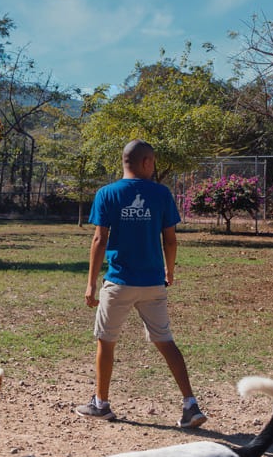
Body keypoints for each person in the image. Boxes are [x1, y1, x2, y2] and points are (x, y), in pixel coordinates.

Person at [77, 139, 206, 429]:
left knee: (106, 341)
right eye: (154, 161)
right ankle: (190, 404)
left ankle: (102, 403)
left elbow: (99, 239)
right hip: (152, 283)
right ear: (146, 162)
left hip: (118, 282)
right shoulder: (161, 194)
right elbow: (170, 239)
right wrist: (169, 271)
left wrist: (90, 284)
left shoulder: (107, 193)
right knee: (165, 341)